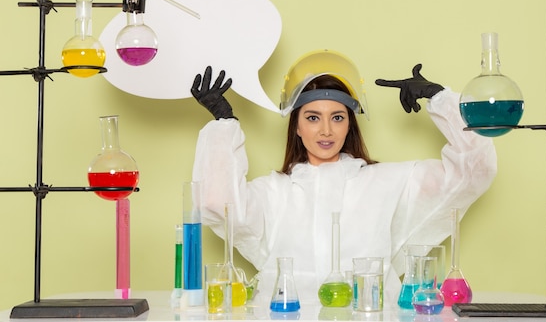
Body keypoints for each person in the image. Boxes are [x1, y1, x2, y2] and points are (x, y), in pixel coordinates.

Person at [190, 49, 496, 306]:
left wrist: (440, 98)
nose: (326, 131)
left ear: (350, 124)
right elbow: (219, 206)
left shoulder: (384, 182)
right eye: (312, 118)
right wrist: (223, 123)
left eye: (337, 117)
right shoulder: (273, 192)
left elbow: (473, 172)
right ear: (296, 126)